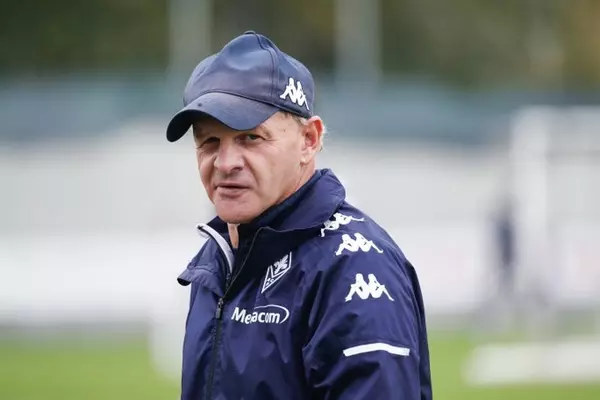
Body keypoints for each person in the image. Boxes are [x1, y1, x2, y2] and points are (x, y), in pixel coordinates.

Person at [166, 31, 433, 400]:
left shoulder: (354, 267)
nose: (225, 163)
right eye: (209, 141)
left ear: (309, 140)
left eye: (250, 138)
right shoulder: (218, 258)